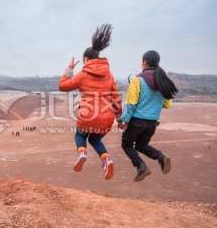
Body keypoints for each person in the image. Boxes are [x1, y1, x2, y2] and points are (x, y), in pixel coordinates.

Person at [58, 24, 122, 180]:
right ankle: (106, 160)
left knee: (80, 137)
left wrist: (69, 69)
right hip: (106, 119)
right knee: (94, 139)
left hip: (88, 117)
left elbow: (62, 86)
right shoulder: (110, 75)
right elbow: (115, 99)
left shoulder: (83, 74)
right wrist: (120, 119)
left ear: (86, 59)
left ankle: (82, 153)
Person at [118, 50, 178, 181]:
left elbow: (131, 103)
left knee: (126, 144)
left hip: (137, 122)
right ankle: (160, 156)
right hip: (152, 124)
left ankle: (141, 167)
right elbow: (167, 104)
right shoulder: (162, 82)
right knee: (141, 145)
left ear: (144, 62)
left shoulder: (137, 80)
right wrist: (153, 102)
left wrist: (124, 120)